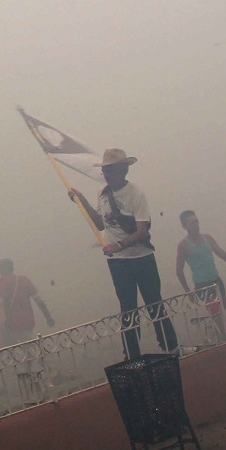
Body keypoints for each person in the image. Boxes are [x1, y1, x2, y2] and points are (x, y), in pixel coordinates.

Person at [69, 148, 178, 359]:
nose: (106, 174)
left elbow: (142, 230)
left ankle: (170, 346)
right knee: (128, 308)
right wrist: (81, 201)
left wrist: (119, 245)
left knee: (154, 302)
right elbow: (100, 224)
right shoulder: (102, 194)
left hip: (142, 257)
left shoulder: (136, 194)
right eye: (105, 170)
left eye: (110, 170)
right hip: (118, 262)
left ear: (123, 170)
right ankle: (132, 355)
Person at [175, 210, 226, 342]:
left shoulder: (208, 238)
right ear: (185, 226)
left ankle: (218, 336)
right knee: (216, 314)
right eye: (192, 223)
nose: (196, 225)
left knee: (221, 311)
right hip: (203, 285)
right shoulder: (183, 245)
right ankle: (225, 340)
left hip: (216, 281)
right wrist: (188, 291)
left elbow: (222, 254)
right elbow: (179, 271)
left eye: (197, 221)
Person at [0, 258, 54, 349]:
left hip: (13, 322)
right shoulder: (24, 280)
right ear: (12, 268)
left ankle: (38, 357)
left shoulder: (1, 283)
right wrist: (48, 316)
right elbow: (38, 300)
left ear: (2, 269)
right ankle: (35, 355)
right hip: (29, 320)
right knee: (25, 344)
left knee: (17, 348)